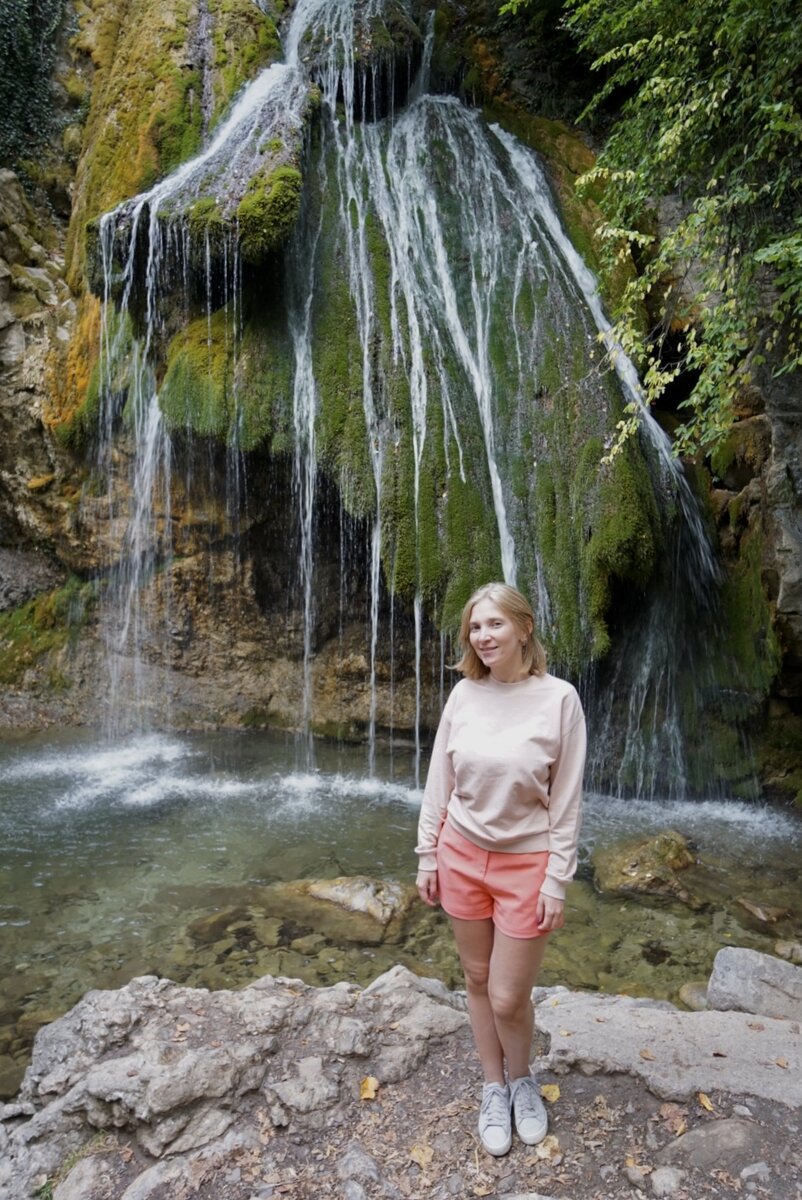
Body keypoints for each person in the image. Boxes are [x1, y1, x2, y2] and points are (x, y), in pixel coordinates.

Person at [415, 581, 586, 1157]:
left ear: (524, 628)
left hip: (527, 864)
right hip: (460, 854)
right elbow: (441, 779)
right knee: (476, 979)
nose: (482, 637)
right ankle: (494, 1085)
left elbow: (565, 801)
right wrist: (426, 853)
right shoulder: (464, 694)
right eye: (475, 627)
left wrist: (557, 880)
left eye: (494, 625)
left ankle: (523, 1080)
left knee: (510, 995)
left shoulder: (560, 699)